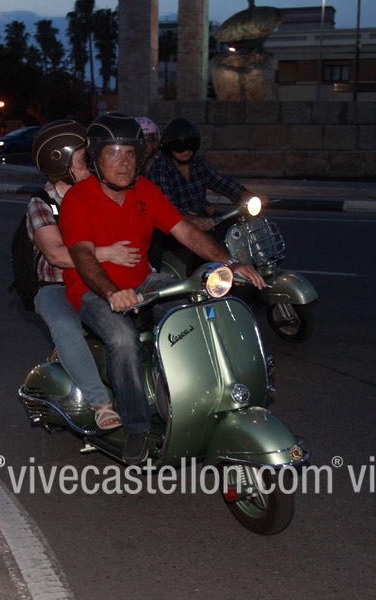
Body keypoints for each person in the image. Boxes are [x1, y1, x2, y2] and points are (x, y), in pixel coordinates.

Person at [59, 113, 266, 465]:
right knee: (122, 338)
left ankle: (198, 392)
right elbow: (82, 255)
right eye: (114, 154)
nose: (124, 163)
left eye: (130, 153)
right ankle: (136, 426)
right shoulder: (78, 199)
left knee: (197, 307)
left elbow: (184, 231)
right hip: (93, 290)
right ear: (95, 158)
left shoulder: (145, 191)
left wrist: (230, 262)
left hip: (143, 280)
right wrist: (111, 292)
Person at [26, 120, 142, 430]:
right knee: (65, 325)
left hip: (99, 278)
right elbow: (55, 254)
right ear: (61, 166)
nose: (91, 163)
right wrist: (106, 253)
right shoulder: (42, 204)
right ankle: (100, 402)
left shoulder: (99, 193)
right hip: (55, 284)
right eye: (83, 159)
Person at [147, 116, 261, 267]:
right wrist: (192, 219)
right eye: (180, 146)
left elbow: (220, 181)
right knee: (201, 263)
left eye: (191, 145)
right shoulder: (161, 169)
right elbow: (167, 207)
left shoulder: (198, 163)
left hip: (203, 221)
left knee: (238, 227)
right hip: (174, 230)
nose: (186, 150)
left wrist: (245, 194)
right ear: (169, 145)